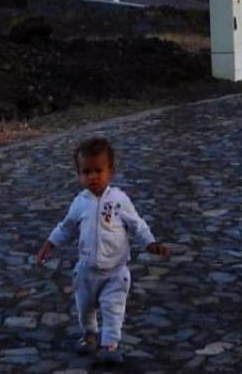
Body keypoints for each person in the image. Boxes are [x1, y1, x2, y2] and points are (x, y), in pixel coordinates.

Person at [36, 136, 170, 364]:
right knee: (85, 306)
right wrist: (49, 244)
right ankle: (89, 335)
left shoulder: (119, 200)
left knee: (113, 307)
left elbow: (137, 224)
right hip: (87, 270)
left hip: (115, 271)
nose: (93, 177)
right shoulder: (80, 203)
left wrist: (150, 242)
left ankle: (110, 344)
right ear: (79, 174)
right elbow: (66, 227)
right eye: (86, 172)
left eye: (98, 171)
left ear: (111, 170)